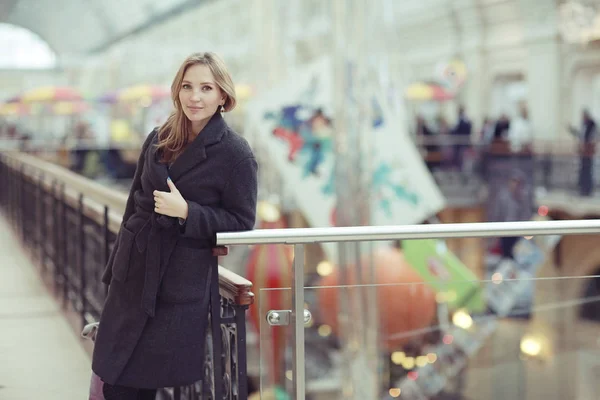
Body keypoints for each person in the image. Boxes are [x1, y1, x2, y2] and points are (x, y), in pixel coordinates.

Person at [90, 52, 258, 399]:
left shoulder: (236, 153)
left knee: (140, 382)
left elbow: (241, 222)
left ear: (223, 96)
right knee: (112, 379)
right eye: (188, 86)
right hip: (133, 273)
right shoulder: (158, 137)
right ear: (177, 91)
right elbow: (132, 204)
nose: (195, 97)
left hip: (176, 283)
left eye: (206, 88)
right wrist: (114, 271)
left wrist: (187, 212)